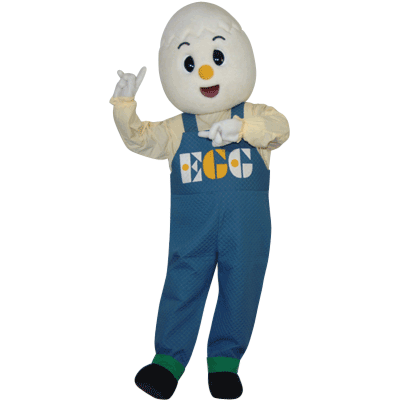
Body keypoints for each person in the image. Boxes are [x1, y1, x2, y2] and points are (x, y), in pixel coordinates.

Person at [110, 2, 289, 399]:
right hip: (192, 233)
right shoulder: (177, 129)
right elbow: (140, 138)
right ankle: (167, 363)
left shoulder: (255, 115)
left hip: (246, 232)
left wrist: (241, 128)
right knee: (183, 285)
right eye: (190, 64)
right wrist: (124, 107)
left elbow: (280, 128)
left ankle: (224, 363)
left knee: (241, 288)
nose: (206, 72)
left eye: (217, 58)